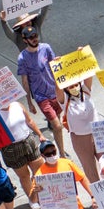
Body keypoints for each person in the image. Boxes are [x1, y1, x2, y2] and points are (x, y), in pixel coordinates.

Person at [16, 24, 66, 157]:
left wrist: (58, 62)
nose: (34, 39)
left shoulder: (46, 48)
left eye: (35, 36)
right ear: (25, 40)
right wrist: (29, 102)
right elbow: (25, 81)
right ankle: (62, 154)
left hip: (54, 91)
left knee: (57, 122)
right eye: (31, 37)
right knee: (58, 125)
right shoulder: (22, 58)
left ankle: (57, 139)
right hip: (41, 96)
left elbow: (54, 66)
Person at [0, 100, 44, 205]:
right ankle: (33, 199)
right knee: (24, 176)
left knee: (39, 169)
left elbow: (30, 121)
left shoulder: (17, 104)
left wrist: (40, 134)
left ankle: (44, 194)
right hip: (11, 147)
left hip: (28, 140)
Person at [60, 77, 104, 183]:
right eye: (71, 87)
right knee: (90, 169)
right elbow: (57, 88)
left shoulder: (85, 91)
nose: (74, 88)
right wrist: (56, 72)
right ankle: (100, 195)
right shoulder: (65, 100)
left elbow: (88, 72)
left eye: (76, 85)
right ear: (66, 89)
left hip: (98, 133)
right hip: (80, 138)